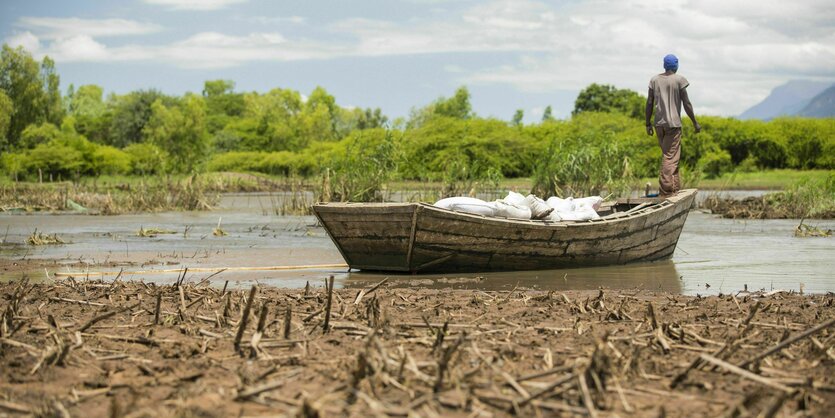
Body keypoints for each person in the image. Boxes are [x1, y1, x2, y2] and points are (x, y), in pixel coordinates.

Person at [645, 54, 700, 197]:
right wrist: (695, 122)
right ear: (676, 66)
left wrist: (647, 123)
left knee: (671, 156)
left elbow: (649, 103)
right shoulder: (679, 80)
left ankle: (674, 189)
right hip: (673, 125)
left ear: (664, 65)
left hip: (659, 125)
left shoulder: (654, 80)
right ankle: (665, 191)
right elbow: (686, 103)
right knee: (670, 158)